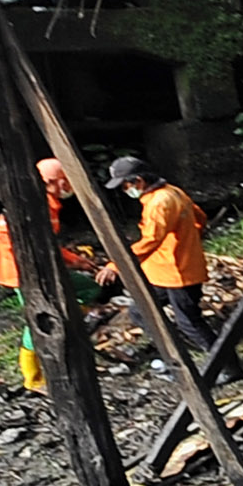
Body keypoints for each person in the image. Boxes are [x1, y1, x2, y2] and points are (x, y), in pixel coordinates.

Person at [103, 157, 218, 373]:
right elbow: (199, 218)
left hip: (178, 273)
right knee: (140, 312)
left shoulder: (159, 203)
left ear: (138, 181)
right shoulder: (173, 191)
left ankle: (226, 365)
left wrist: (116, 265)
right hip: (163, 272)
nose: (125, 190)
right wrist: (189, 239)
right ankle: (177, 353)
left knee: (189, 322)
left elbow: (150, 240)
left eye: (125, 185)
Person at [0, 158, 74, 394]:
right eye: (66, 181)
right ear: (54, 181)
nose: (69, 186)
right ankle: (32, 378)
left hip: (33, 270)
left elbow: (46, 243)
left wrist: (75, 260)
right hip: (22, 274)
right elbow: (8, 239)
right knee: (38, 320)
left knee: (73, 297)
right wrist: (31, 269)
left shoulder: (46, 203)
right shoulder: (35, 205)